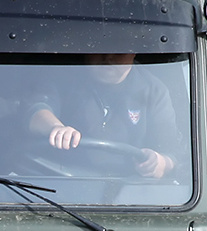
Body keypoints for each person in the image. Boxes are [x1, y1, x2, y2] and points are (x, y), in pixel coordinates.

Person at [27, 54, 181, 178]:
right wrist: (56, 128)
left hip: (131, 196)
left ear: (134, 52)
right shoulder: (63, 75)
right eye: (100, 48)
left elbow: (173, 153)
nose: (108, 57)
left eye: (119, 50)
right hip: (56, 186)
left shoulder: (154, 90)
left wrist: (159, 162)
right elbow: (36, 110)